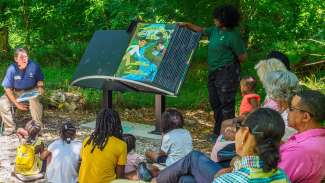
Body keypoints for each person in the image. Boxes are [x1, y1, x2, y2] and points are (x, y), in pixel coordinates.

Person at [152, 108, 290, 183]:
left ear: (246, 134)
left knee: (188, 169)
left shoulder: (228, 180)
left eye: (239, 127)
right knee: (185, 177)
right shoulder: (283, 176)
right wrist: (234, 167)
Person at [181, 5, 247, 141]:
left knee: (226, 105)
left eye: (217, 18)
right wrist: (187, 25)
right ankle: (217, 132)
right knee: (215, 103)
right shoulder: (215, 31)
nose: (214, 19)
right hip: (213, 72)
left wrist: (230, 60)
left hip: (227, 73)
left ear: (225, 20)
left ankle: (227, 137)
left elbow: (242, 57)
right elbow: (201, 30)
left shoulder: (233, 36)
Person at [278, 90, 325, 182]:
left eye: (291, 109)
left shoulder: (299, 152)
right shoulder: (318, 138)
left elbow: (268, 179)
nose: (287, 112)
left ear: (305, 117)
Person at [0, 48, 45, 135]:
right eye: (21, 57)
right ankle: (9, 128)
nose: (24, 59)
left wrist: (40, 87)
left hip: (31, 90)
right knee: (2, 101)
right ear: (16, 59)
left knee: (34, 100)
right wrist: (17, 104)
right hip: (16, 92)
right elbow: (7, 88)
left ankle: (37, 127)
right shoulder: (12, 69)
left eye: (26, 57)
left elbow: (40, 80)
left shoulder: (34, 66)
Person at [78, 108, 127, 183]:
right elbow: (120, 176)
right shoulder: (121, 145)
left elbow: (82, 161)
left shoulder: (87, 141)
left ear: (98, 122)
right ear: (117, 123)